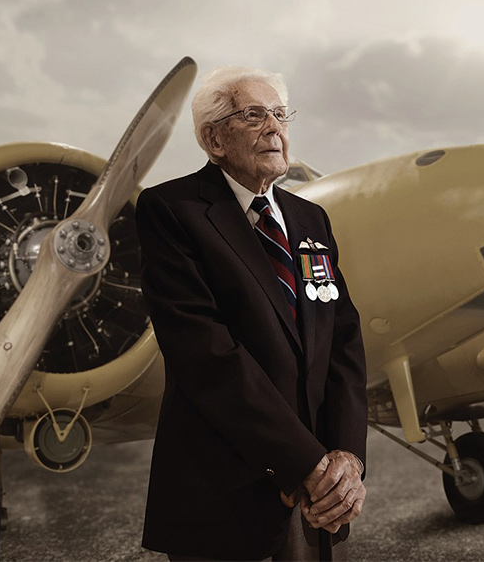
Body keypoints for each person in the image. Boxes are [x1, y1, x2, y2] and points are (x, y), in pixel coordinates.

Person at [136, 67, 368, 561]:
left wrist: (347, 458)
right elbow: (207, 355)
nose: (275, 128)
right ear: (214, 139)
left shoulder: (310, 219)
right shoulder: (171, 211)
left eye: (281, 115)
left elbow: (342, 337)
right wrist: (306, 464)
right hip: (225, 496)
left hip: (319, 499)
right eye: (254, 115)